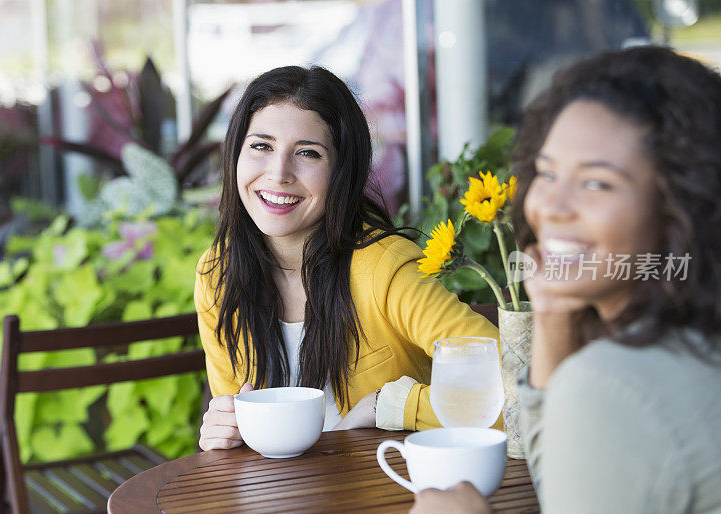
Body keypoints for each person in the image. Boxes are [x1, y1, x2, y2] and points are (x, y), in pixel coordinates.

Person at [410, 46, 721, 514]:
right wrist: (552, 314)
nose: (551, 206)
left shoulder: (614, 381)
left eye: (597, 184)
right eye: (548, 172)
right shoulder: (699, 337)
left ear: (683, 206)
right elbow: (574, 486)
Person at [194, 66, 499, 451]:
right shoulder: (218, 274)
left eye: (307, 153)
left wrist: (390, 406)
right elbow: (236, 428)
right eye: (262, 146)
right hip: (275, 502)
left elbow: (507, 384)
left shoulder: (383, 269)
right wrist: (226, 431)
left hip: (386, 491)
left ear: (341, 171)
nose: (279, 173)